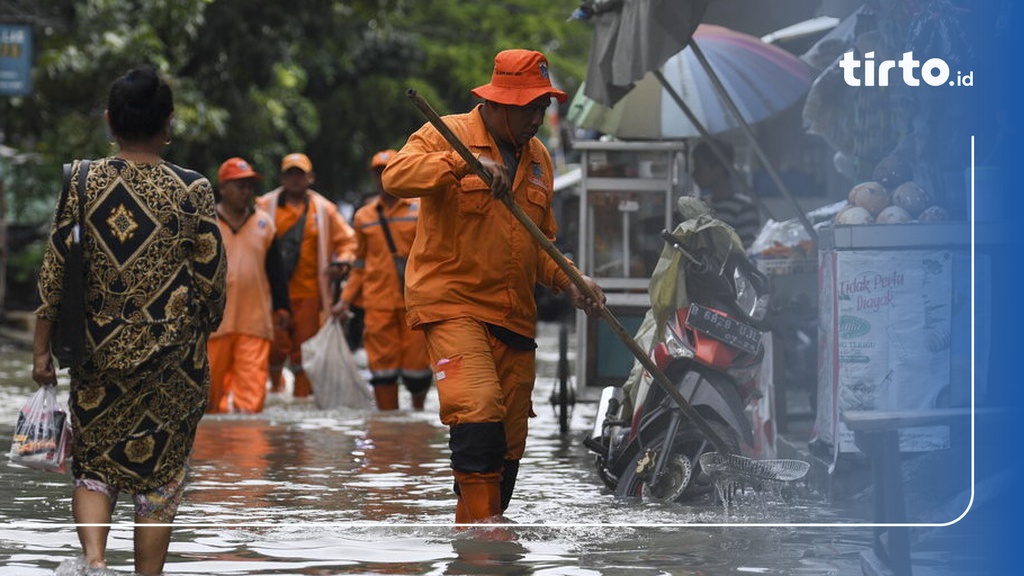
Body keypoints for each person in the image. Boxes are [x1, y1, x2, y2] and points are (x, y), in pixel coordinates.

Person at [382, 49, 606, 524]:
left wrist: (571, 279)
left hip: (513, 315)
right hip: (452, 303)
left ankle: (477, 540)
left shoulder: (540, 159)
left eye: (542, 107)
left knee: (507, 443)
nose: (537, 118)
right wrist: (460, 166)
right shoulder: (449, 134)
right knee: (477, 408)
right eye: (530, 107)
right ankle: (489, 538)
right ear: (500, 102)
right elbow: (396, 176)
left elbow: (539, 244)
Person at [31, 66, 226, 575]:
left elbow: (55, 270)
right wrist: (202, 329)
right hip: (173, 364)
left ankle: (95, 561)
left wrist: (40, 349)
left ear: (109, 121)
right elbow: (211, 280)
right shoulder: (193, 190)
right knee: (160, 478)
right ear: (168, 124)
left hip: (97, 353)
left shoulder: (81, 180)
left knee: (94, 465)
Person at [333, 149, 432, 411]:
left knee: (417, 370)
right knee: (382, 370)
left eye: (389, 170)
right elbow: (360, 265)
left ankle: (417, 423)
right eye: (379, 172)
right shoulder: (364, 216)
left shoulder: (420, 209)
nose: (384, 177)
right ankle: (388, 429)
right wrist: (344, 301)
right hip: (378, 304)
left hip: (415, 304)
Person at [256, 153, 357, 398]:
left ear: (310, 178)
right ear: (282, 177)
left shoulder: (325, 209)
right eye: (290, 174)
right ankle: (275, 390)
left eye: (300, 174)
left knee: (305, 351)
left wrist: (342, 262)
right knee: (273, 347)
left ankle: (302, 399)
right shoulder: (264, 206)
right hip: (272, 293)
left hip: (311, 294)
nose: (294, 179)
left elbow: (348, 241)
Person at [207, 157, 291, 414]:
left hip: (254, 323)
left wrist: (282, 308)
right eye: (240, 185)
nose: (246, 192)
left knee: (251, 403)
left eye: (250, 186)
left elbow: (276, 271)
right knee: (209, 402)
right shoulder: (207, 223)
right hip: (214, 325)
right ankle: (214, 453)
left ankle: (249, 452)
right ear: (223, 188)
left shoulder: (265, 224)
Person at [689, 139, 761, 248]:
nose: (694, 174)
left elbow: (748, 251)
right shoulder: (702, 205)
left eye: (699, 168)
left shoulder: (744, 208)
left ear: (718, 169)